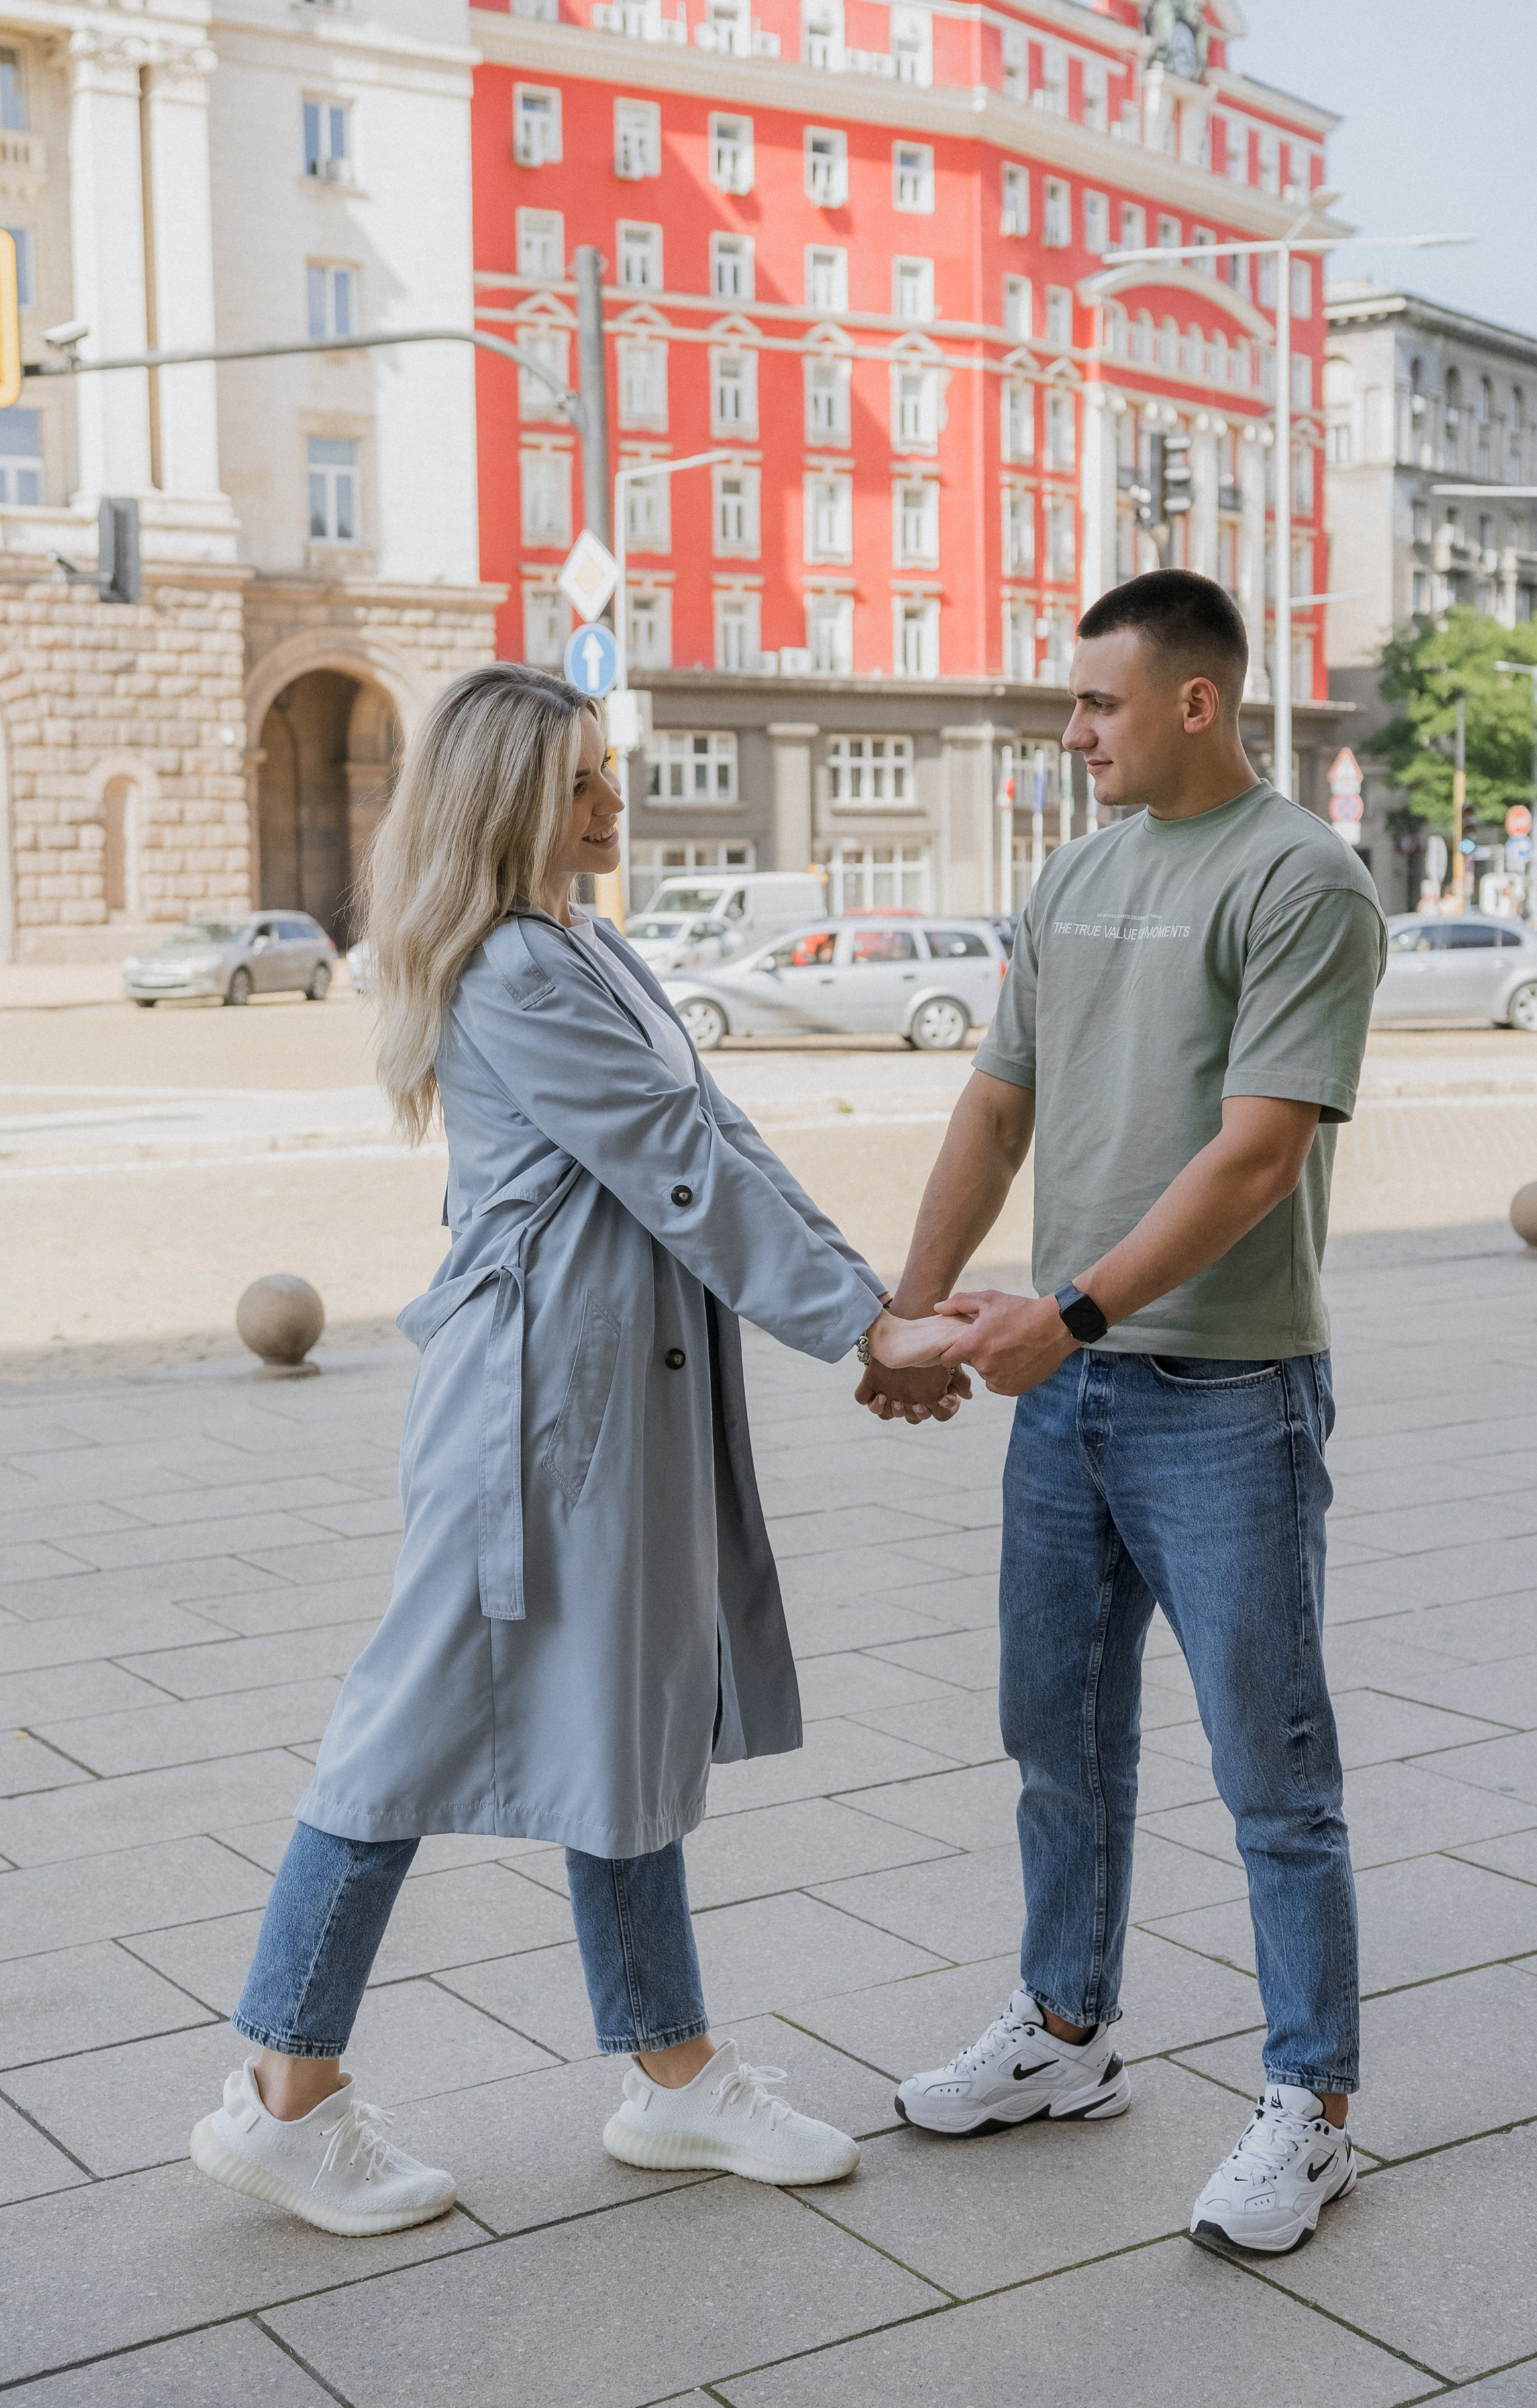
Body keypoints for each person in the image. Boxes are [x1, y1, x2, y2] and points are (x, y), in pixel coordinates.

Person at [190, 664, 949, 2236]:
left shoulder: (586, 943)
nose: (617, 803)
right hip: (535, 1418)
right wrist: (862, 1337)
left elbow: (723, 1136)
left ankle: (671, 2075)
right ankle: (283, 2088)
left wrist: (873, 1306)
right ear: (522, 803)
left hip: (607, 1399)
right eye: (588, 782)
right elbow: (683, 1168)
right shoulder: (520, 975)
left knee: (623, 1721)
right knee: (400, 1735)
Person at [859, 571, 1387, 2256]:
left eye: (1093, 701)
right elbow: (994, 1101)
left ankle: (1308, 2103)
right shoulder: (1072, 876)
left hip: (1221, 1391)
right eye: (1066, 699)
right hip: (1059, 1392)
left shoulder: (1299, 877)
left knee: (1269, 1767)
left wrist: (1068, 1307)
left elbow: (1256, 1151)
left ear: (1192, 702)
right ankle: (1063, 2032)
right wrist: (916, 1306)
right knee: (1055, 1737)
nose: (1066, 728)